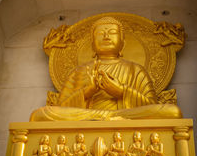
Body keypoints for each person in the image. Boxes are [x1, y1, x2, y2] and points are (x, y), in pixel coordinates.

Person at [30, 17, 182, 121]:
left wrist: (122, 92)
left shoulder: (135, 70)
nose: (106, 37)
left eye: (112, 33)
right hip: (88, 116)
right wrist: (87, 91)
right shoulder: (79, 71)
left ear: (122, 42)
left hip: (126, 115)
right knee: (40, 114)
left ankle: (108, 118)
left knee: (172, 112)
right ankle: (104, 118)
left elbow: (151, 104)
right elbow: (61, 107)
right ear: (92, 44)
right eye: (100, 33)